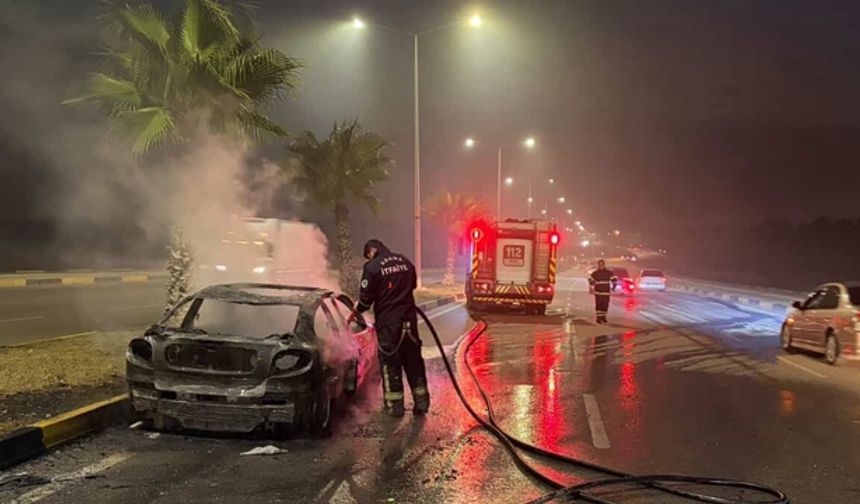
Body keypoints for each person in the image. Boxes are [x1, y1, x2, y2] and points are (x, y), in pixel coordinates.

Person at [354, 239, 429, 417]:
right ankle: (422, 403)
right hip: (409, 322)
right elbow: (412, 285)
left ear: (372, 251)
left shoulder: (372, 268)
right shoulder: (404, 261)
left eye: (368, 255)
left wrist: (356, 311)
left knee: (391, 363)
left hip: (389, 325)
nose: (368, 259)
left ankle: (395, 407)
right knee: (414, 361)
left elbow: (365, 301)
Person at [588, 259, 617, 324]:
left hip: (606, 292)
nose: (601, 266)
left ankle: (603, 317)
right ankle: (598, 318)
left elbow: (614, 279)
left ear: (604, 265)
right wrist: (592, 282)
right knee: (598, 305)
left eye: (602, 264)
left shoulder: (608, 273)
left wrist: (614, 286)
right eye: (599, 265)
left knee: (605, 305)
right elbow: (590, 279)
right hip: (598, 292)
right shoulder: (595, 273)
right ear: (598, 265)